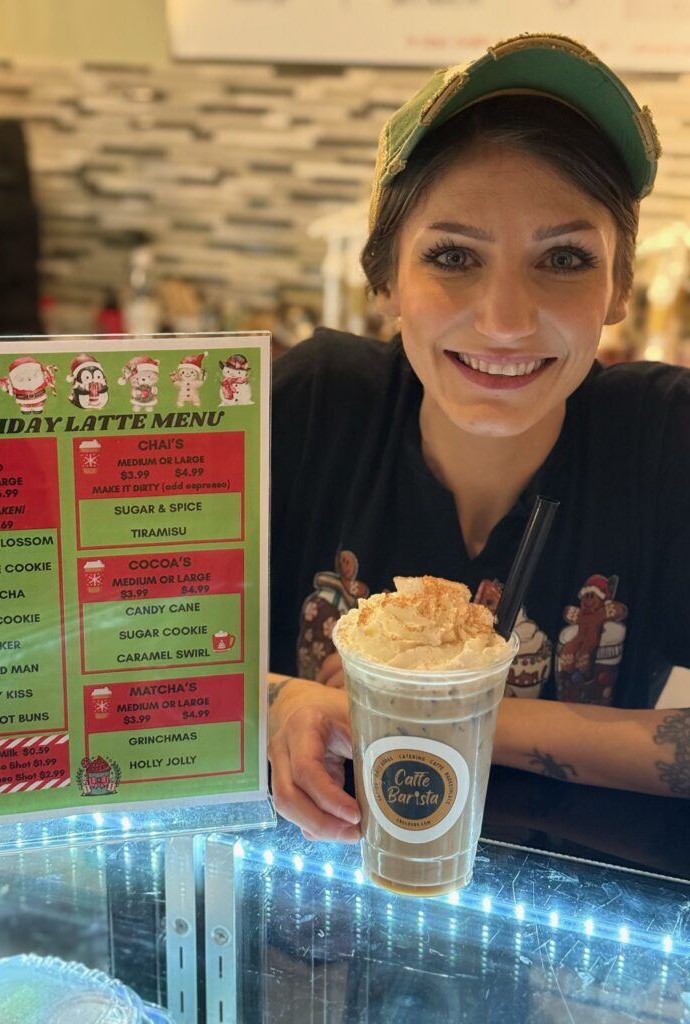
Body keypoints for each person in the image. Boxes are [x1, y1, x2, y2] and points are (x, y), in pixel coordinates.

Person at [266, 32, 690, 841]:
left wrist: (438, 712)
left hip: (571, 911)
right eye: (454, 256)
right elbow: (131, 653)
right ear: (386, 278)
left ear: (618, 290)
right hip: (311, 890)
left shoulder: (664, 441)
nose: (505, 321)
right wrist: (280, 703)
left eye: (564, 258)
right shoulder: (316, 406)